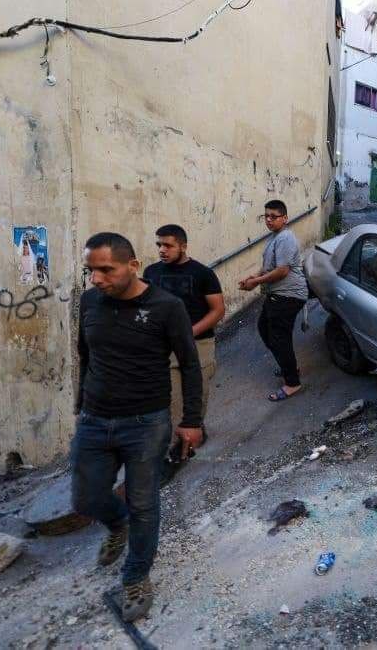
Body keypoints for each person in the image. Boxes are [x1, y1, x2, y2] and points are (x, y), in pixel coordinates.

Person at [72, 232, 203, 622]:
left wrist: (192, 420)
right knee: (85, 498)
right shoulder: (90, 301)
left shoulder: (167, 307)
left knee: (144, 503)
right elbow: (85, 354)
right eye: (91, 270)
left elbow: (190, 364)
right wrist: (81, 405)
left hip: (146, 423)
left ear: (132, 265)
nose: (96, 278)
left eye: (105, 270)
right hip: (94, 420)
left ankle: (135, 577)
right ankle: (117, 522)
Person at [144, 224, 225, 437]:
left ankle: (195, 430)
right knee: (172, 400)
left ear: (183, 246)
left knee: (197, 396)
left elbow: (218, 310)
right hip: (166, 348)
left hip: (199, 344)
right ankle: (176, 447)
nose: (162, 250)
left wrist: (189, 332)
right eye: (159, 245)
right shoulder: (150, 272)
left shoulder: (203, 274)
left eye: (168, 245)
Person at [238, 199, 308, 401]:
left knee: (279, 337)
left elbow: (282, 271)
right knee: (265, 329)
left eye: (273, 216)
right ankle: (289, 366)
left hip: (289, 295)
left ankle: (292, 383)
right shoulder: (275, 238)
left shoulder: (285, 238)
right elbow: (268, 267)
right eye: (266, 216)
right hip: (277, 295)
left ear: (284, 218)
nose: (268, 220)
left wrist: (256, 282)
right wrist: (253, 277)